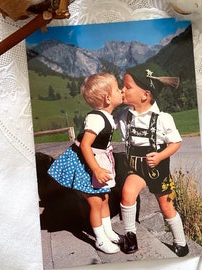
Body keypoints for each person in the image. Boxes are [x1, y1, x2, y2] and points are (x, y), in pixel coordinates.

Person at [116, 65, 189, 257]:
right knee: (127, 193)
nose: (122, 90)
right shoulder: (124, 117)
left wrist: (160, 156)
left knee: (166, 206)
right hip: (136, 168)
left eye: (127, 87)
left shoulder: (163, 118)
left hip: (158, 169)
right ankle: (130, 238)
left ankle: (181, 243)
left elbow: (176, 142)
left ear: (145, 95)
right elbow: (107, 120)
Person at [48, 73, 123, 254]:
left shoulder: (106, 116)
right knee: (96, 202)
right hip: (86, 164)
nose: (121, 91)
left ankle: (107, 231)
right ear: (107, 98)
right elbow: (86, 145)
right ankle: (100, 239)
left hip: (97, 160)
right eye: (117, 89)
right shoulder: (96, 119)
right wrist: (96, 169)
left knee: (104, 198)